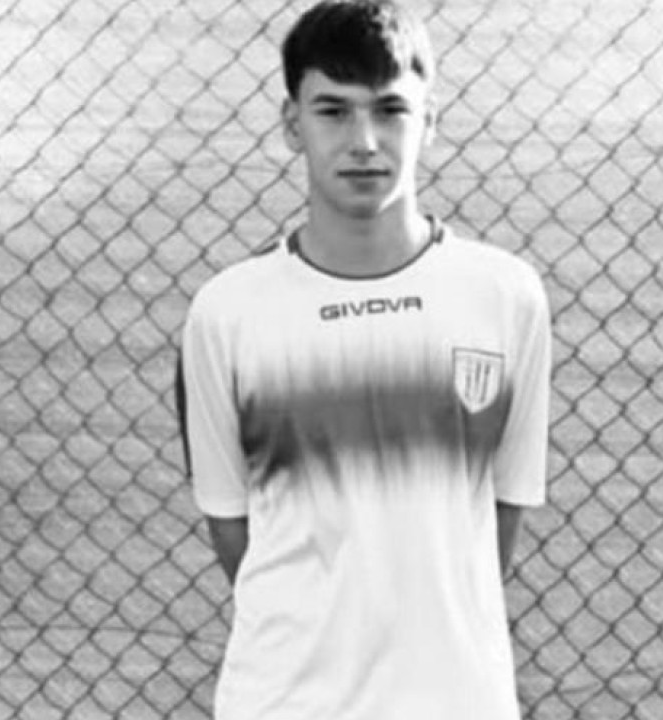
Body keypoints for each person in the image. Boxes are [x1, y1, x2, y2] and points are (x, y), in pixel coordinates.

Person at [176, 1, 551, 718]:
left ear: (429, 120)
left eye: (389, 110)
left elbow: (501, 511)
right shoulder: (227, 313)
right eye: (333, 111)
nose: (365, 141)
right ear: (292, 124)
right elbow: (231, 523)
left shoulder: (506, 297)